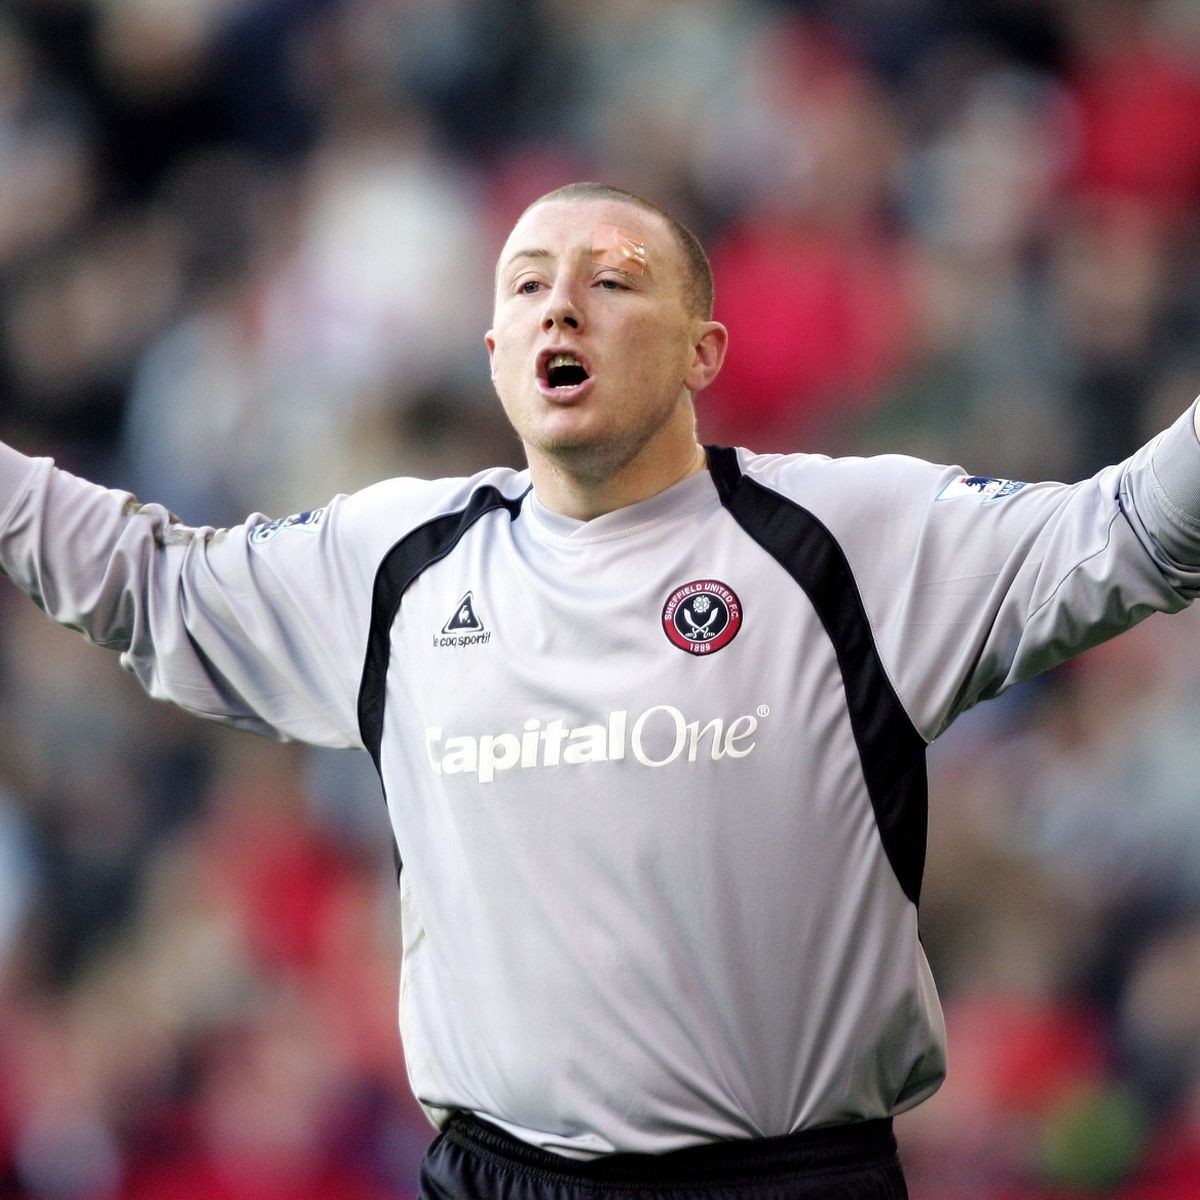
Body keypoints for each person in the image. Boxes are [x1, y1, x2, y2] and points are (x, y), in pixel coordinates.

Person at [3, 181, 1200, 1200]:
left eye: (613, 280)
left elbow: (1137, 533)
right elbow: (150, 584)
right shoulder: (396, 565)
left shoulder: (852, 538)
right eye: (525, 285)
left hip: (788, 1178)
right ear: (496, 356)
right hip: (498, 1174)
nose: (560, 303)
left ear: (703, 350)